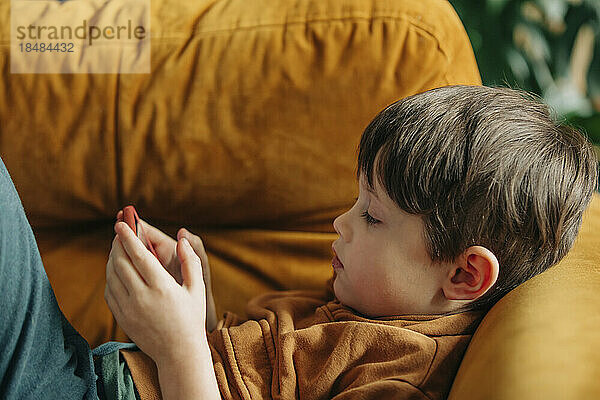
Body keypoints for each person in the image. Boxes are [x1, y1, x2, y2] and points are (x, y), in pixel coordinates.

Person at [0, 85, 597, 399]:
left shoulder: (401, 378)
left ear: (464, 275)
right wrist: (197, 308)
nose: (341, 223)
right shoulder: (364, 305)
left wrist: (178, 346)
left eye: (373, 217)